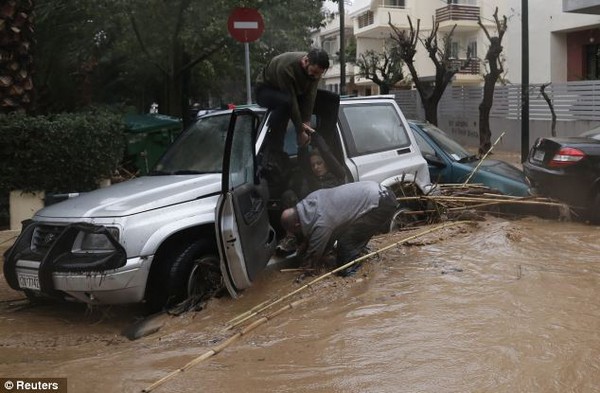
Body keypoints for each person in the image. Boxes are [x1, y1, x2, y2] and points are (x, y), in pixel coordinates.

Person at [280, 181, 398, 275]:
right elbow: (325, 234)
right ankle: (358, 250)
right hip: (379, 191)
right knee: (346, 235)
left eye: (294, 231)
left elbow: (314, 255)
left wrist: (306, 269)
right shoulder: (310, 200)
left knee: (345, 249)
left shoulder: (322, 223)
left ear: (297, 225)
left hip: (381, 204)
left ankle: (358, 268)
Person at [276, 132, 346, 255]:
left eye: (320, 163)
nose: (316, 167)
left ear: (327, 164)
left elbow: (327, 154)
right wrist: (303, 144)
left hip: (328, 221)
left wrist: (315, 135)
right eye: (313, 165)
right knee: (288, 195)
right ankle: (291, 238)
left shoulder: (337, 176)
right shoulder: (311, 179)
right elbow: (303, 162)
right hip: (310, 219)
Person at [255, 49, 330, 150]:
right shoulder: (286, 68)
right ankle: (274, 147)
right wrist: (300, 131)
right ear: (305, 61)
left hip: (292, 92)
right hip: (265, 90)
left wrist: (306, 123)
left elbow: (310, 96)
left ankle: (326, 144)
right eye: (314, 72)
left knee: (330, 100)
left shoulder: (314, 71)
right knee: (286, 103)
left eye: (319, 74)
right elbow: (292, 100)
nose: (316, 76)